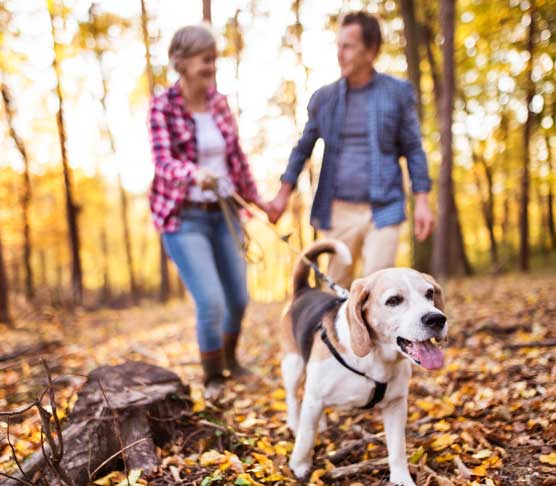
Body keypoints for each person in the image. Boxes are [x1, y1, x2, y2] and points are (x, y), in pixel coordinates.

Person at [267, 11, 434, 289]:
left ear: (371, 51)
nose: (339, 54)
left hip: (384, 208)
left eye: (348, 46)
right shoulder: (324, 99)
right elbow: (302, 149)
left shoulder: (397, 93)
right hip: (338, 209)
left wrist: (423, 203)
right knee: (336, 290)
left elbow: (414, 149)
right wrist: (282, 195)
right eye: (338, 46)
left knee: (379, 289)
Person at [148, 24, 267, 399]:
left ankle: (231, 360)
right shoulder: (162, 106)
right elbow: (164, 163)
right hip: (183, 217)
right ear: (180, 62)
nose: (211, 66)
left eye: (214, 59)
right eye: (204, 59)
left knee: (238, 298)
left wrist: (258, 200)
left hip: (225, 213)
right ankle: (213, 377)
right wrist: (193, 173)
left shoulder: (219, 103)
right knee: (211, 300)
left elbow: (236, 158)